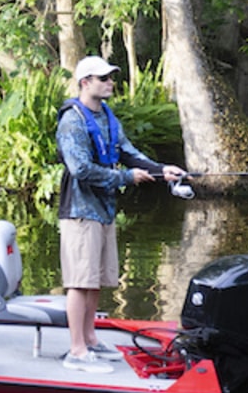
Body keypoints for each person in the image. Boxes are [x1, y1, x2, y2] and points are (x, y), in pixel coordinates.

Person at [54, 55, 185, 371]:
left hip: (104, 211)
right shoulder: (72, 120)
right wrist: (125, 178)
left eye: (111, 77)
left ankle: (90, 340)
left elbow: (128, 153)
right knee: (79, 281)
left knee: (95, 281)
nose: (110, 82)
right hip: (80, 212)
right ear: (85, 83)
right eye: (103, 78)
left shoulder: (107, 116)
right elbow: (80, 168)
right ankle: (76, 350)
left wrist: (160, 169)